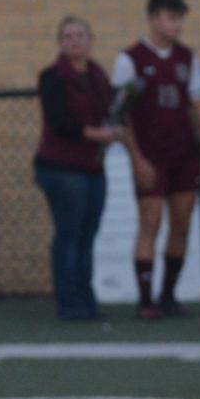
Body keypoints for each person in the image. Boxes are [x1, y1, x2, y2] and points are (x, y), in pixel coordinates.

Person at [112, 0, 200, 319]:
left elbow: (199, 105)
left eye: (180, 18)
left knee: (182, 225)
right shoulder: (131, 59)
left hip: (184, 153)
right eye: (171, 18)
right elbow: (120, 113)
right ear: (154, 19)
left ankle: (168, 294)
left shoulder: (187, 58)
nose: (177, 25)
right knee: (150, 224)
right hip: (151, 154)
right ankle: (145, 300)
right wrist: (136, 158)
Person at [36, 17, 134, 322]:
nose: (74, 40)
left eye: (80, 35)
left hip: (92, 168)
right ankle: (69, 304)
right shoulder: (51, 76)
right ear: (60, 42)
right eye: (67, 36)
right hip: (61, 169)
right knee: (69, 235)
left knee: (87, 236)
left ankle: (87, 301)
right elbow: (59, 121)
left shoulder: (96, 74)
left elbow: (108, 110)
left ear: (91, 40)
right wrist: (96, 134)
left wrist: (117, 121)